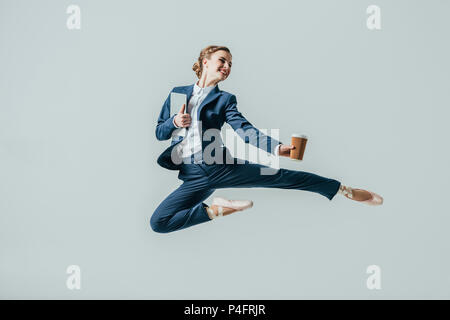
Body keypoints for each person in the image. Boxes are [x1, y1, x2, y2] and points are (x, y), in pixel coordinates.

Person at [151, 45, 383, 234]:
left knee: (280, 177)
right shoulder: (178, 93)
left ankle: (344, 190)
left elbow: (244, 130)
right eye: (222, 60)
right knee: (159, 223)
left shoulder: (225, 99)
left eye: (230, 64)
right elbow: (161, 132)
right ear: (206, 61)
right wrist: (174, 122)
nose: (227, 66)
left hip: (217, 165)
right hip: (192, 176)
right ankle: (216, 210)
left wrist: (276, 147)